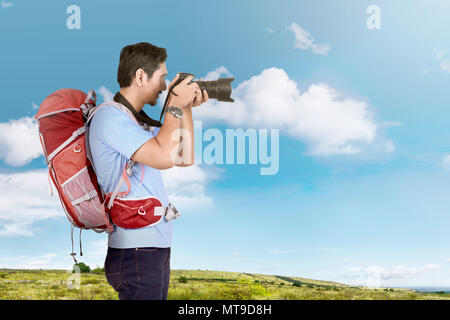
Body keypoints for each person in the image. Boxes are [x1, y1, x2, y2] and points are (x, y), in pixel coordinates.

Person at [88, 42, 209, 300]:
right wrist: (175, 103)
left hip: (153, 248)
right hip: (137, 251)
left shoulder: (136, 121)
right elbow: (164, 157)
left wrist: (184, 106)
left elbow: (183, 156)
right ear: (141, 76)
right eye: (163, 78)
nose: (165, 87)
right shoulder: (111, 118)